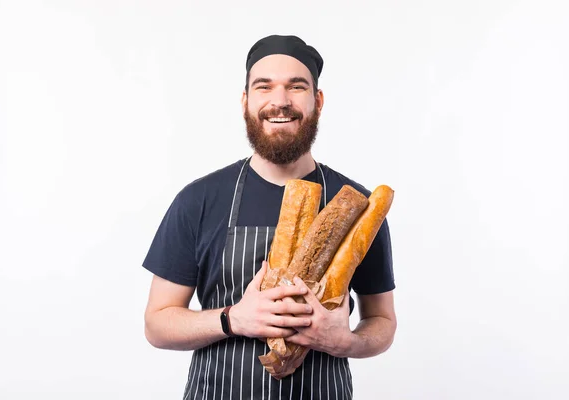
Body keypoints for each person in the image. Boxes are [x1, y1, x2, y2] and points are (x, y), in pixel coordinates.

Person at [142, 34, 397, 400]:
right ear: (246, 101)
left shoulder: (358, 207)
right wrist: (233, 318)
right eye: (265, 87)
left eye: (296, 87)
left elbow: (383, 322)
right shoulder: (199, 200)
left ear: (318, 101)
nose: (280, 101)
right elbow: (157, 324)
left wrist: (345, 342)